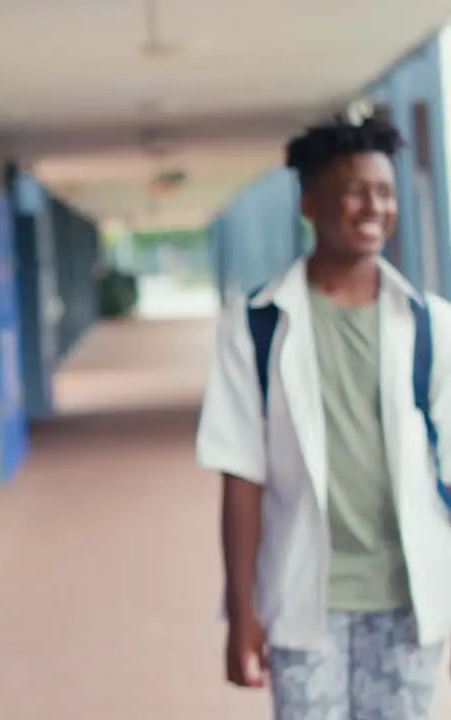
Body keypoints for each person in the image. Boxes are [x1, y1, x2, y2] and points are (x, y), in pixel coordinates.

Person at [197, 114, 451, 719]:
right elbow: (241, 475)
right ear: (310, 201)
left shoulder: (429, 324)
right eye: (356, 190)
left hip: (409, 598)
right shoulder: (258, 323)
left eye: (386, 192)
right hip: (305, 598)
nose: (375, 207)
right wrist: (242, 613)